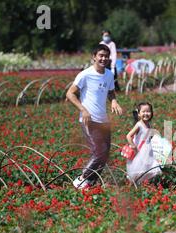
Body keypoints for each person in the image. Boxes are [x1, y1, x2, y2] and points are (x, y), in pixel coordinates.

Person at [66, 44, 123, 189]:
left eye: (106, 56)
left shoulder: (109, 74)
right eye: (100, 56)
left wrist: (114, 101)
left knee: (105, 153)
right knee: (99, 152)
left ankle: (90, 183)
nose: (103, 58)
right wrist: (83, 109)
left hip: (103, 120)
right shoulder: (85, 74)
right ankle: (81, 179)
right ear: (94, 57)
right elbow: (70, 93)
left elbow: (110, 91)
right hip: (89, 120)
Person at [126, 102, 161, 185]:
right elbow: (128, 136)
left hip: (148, 151)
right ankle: (134, 187)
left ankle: (143, 186)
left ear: (151, 113)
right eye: (143, 112)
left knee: (149, 169)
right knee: (138, 171)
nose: (146, 113)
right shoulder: (139, 125)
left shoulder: (149, 124)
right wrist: (133, 146)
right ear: (139, 114)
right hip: (139, 152)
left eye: (148, 111)